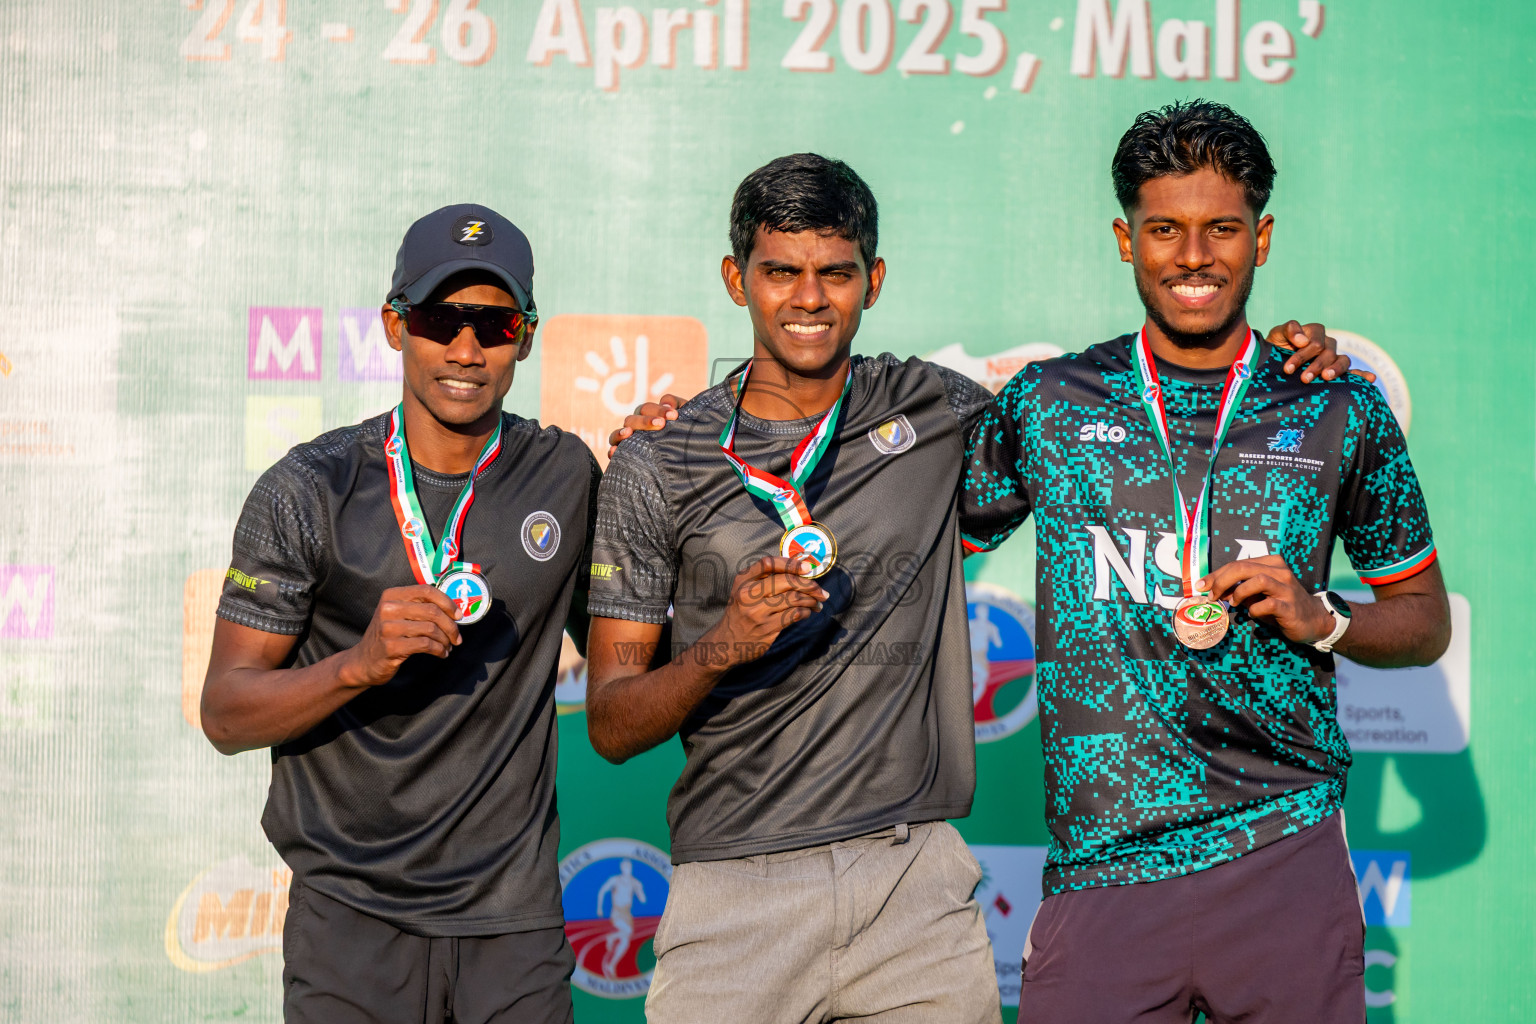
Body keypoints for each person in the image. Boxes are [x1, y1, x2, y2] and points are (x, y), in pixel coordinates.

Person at [586, 154, 1352, 1023]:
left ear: (873, 281)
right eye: (780, 273)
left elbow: (1115, 411)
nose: (808, 299)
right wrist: (728, 642)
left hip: (916, 889)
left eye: (835, 273)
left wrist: (1282, 359)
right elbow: (611, 725)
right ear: (736, 279)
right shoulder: (658, 461)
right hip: (733, 889)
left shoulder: (935, 407)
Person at [960, 100, 1451, 1023]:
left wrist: (1326, 617)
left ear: (1260, 239)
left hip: (1285, 851)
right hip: (1103, 867)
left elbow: (1425, 620)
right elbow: (906, 526)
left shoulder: (1335, 406)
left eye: (1221, 229)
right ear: (1125, 238)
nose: (1193, 256)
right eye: (1165, 230)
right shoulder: (1051, 401)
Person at [200, 204, 597, 1024]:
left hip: (511, 924)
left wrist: (668, 454)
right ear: (393, 324)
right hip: (351, 919)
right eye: (438, 318)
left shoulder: (564, 474)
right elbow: (226, 712)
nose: (465, 348)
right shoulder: (310, 487)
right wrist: (358, 664)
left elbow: (634, 660)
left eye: (492, 324)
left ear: (525, 335)